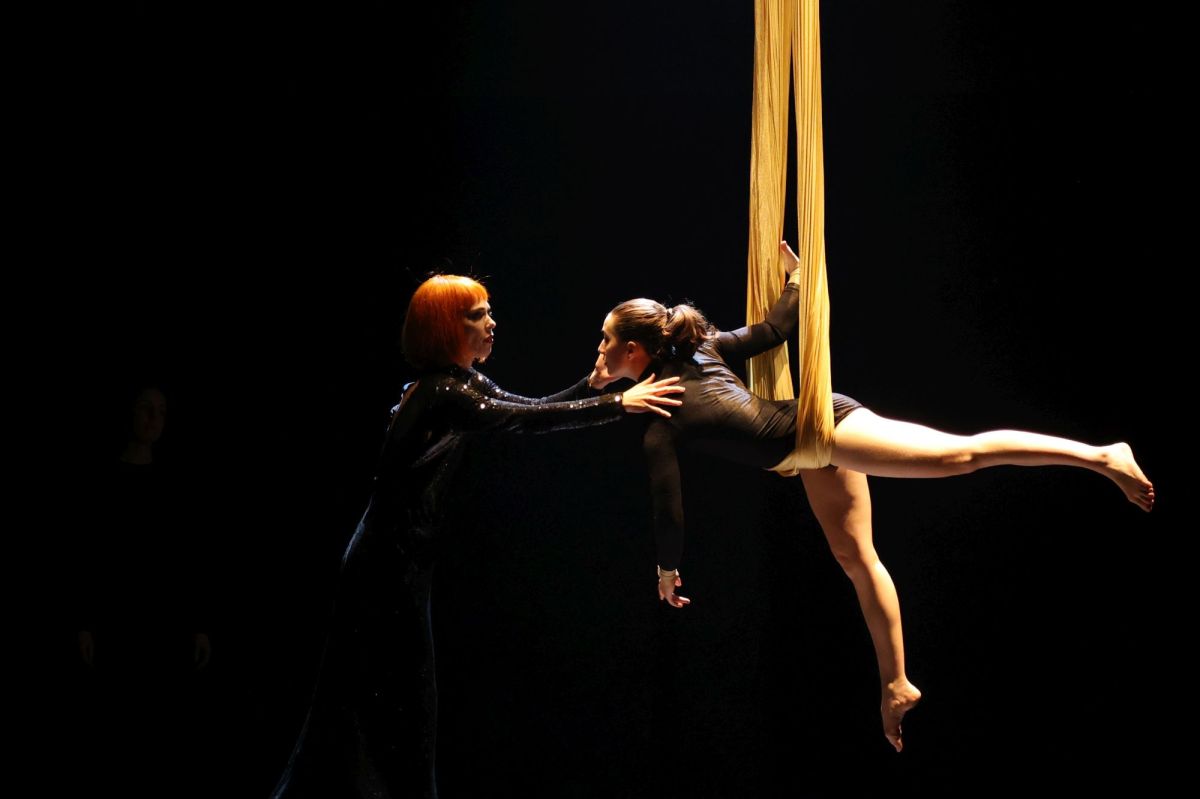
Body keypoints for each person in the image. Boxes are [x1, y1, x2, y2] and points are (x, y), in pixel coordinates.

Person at [586, 241, 1153, 752]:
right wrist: (794, 282)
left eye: (605, 341)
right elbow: (776, 328)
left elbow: (668, 507)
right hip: (809, 450)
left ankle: (1103, 456)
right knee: (855, 558)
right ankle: (897, 683)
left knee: (962, 455)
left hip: (825, 430)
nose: (599, 349)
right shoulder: (697, 354)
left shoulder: (664, 419)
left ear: (635, 351)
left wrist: (666, 570)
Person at [270, 274, 683, 798]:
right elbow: (516, 421)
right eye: (477, 315)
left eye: (488, 312)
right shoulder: (440, 391)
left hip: (402, 565)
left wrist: (593, 387)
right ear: (446, 326)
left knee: (399, 706)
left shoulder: (462, 384)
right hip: (381, 569)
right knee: (388, 705)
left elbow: (528, 411)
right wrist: (617, 405)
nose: (492, 322)